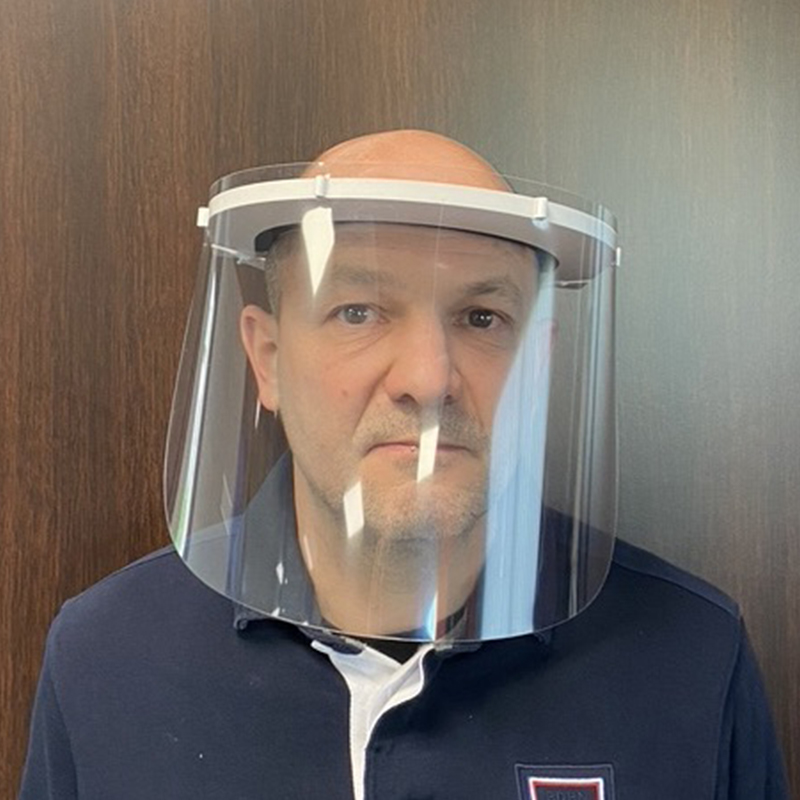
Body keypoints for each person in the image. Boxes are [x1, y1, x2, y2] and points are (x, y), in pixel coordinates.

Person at [20, 130, 788, 799]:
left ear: (538, 367)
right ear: (269, 359)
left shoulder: (687, 654)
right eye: (358, 312)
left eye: (482, 317)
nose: (429, 376)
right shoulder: (111, 654)